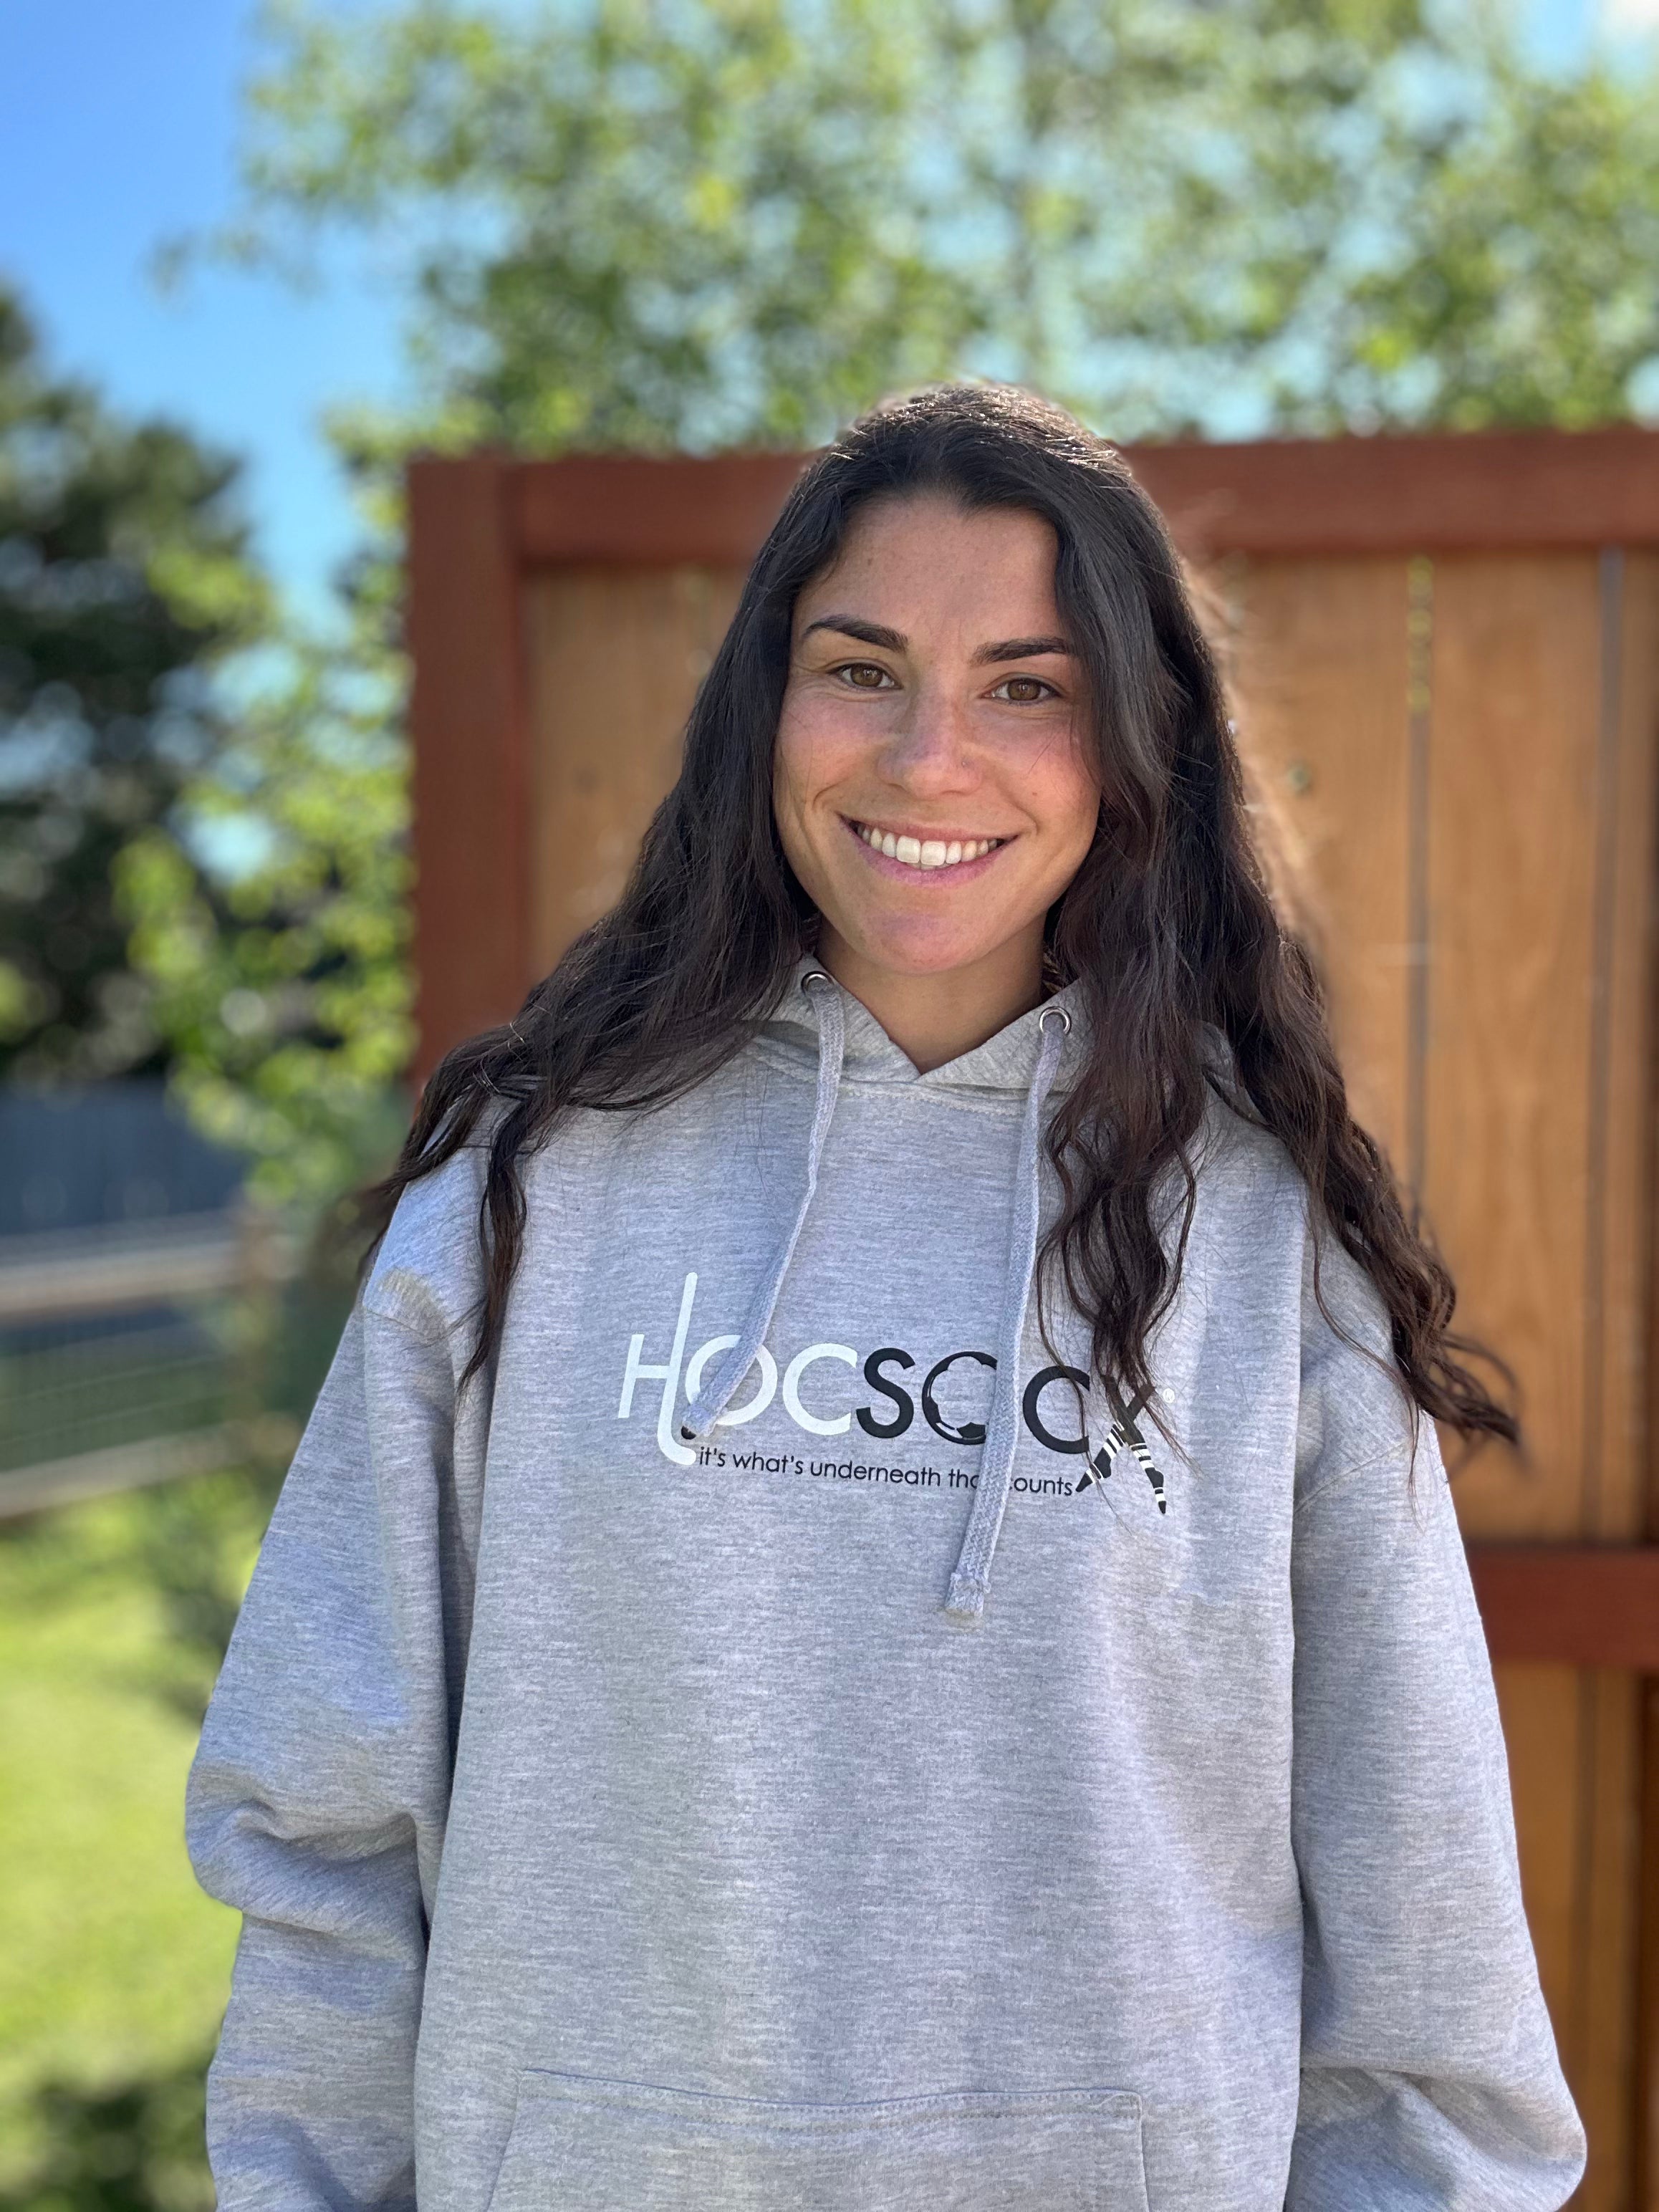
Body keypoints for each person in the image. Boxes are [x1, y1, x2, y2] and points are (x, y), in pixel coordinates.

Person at [186, 383, 1585, 2211]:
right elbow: (324, 1829)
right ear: (765, 707)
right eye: (862, 669)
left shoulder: (1265, 1240)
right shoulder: (528, 1189)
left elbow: (1429, 1950)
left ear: (1133, 743)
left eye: (1028, 686)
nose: (931, 759)